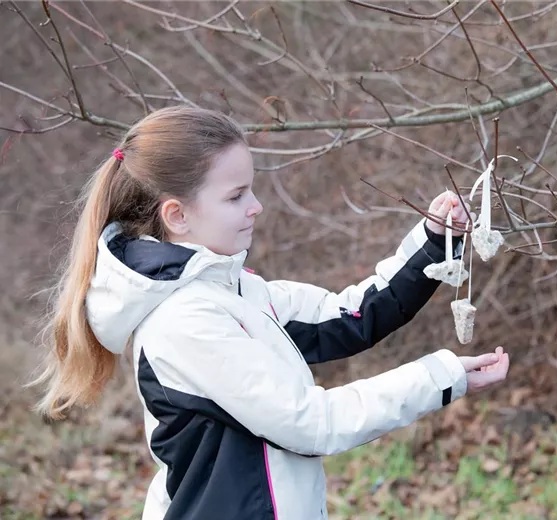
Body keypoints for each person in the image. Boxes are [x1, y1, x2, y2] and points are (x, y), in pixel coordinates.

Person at [30, 106, 510, 520]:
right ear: (177, 215)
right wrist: (442, 376)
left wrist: (433, 244)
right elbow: (311, 423)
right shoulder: (184, 322)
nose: (256, 206)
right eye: (235, 195)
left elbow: (349, 316)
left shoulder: (235, 291)